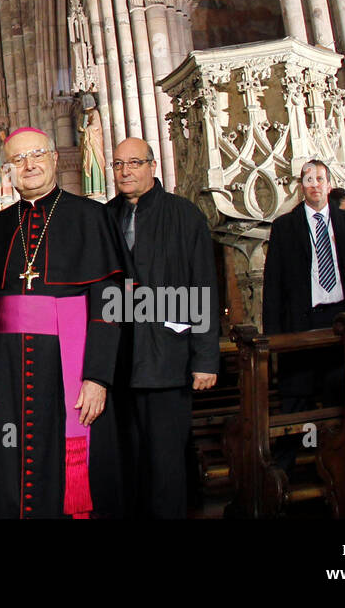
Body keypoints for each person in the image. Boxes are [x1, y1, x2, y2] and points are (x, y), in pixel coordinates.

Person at [0, 126, 124, 519]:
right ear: (9, 171)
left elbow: (110, 303)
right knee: (9, 463)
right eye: (18, 159)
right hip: (6, 374)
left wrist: (97, 377)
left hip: (69, 371)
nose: (29, 164)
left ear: (54, 159)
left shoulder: (92, 217)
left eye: (37, 154)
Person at [105, 137, 218, 519]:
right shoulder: (105, 218)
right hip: (119, 362)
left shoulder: (184, 215)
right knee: (127, 461)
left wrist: (206, 358)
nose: (125, 171)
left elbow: (203, 285)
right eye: (118, 164)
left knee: (166, 462)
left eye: (134, 163)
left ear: (152, 166)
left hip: (169, 359)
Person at [263, 159, 345, 467]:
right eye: (308, 179)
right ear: (300, 186)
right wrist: (274, 337)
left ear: (328, 184)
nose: (315, 184)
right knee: (296, 399)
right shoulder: (285, 227)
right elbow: (273, 285)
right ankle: (283, 473)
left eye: (320, 178)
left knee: (344, 396)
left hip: (344, 322)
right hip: (303, 323)